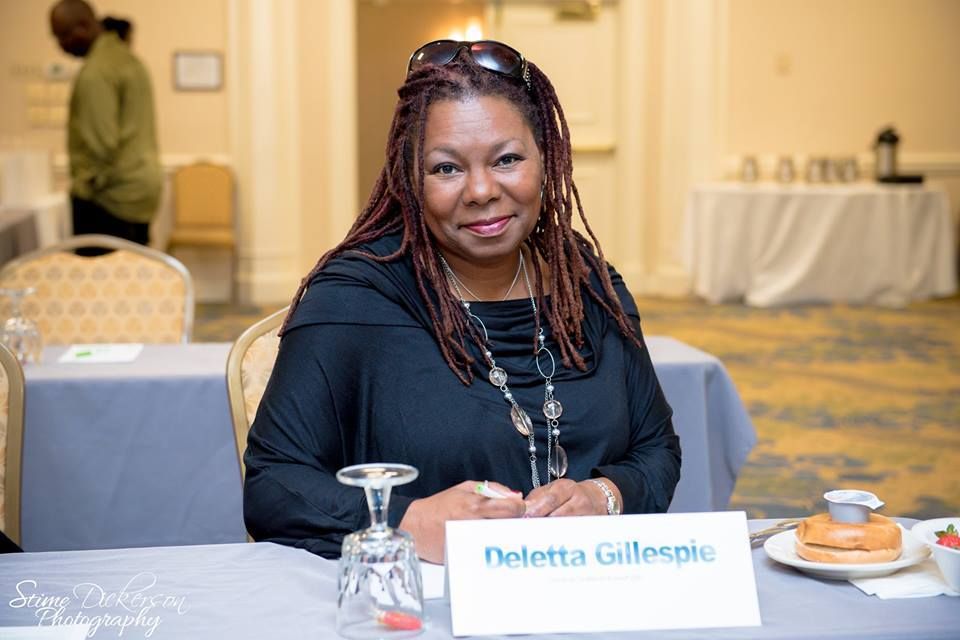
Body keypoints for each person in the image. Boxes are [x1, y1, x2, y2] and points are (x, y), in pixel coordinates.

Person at [243, 40, 681, 563]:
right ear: (411, 179)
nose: (480, 190)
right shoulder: (356, 300)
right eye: (446, 168)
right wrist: (408, 521)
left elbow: (656, 450)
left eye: (507, 159)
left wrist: (603, 496)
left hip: (587, 581)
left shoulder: (586, 283)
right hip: (422, 596)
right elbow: (273, 486)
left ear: (546, 159)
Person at [49, 0, 161, 254]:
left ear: (83, 27)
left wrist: (84, 188)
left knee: (97, 276)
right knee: (133, 272)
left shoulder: (96, 71)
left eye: (62, 36)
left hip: (110, 199)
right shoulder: (128, 60)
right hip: (140, 192)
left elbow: (101, 145)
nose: (60, 46)